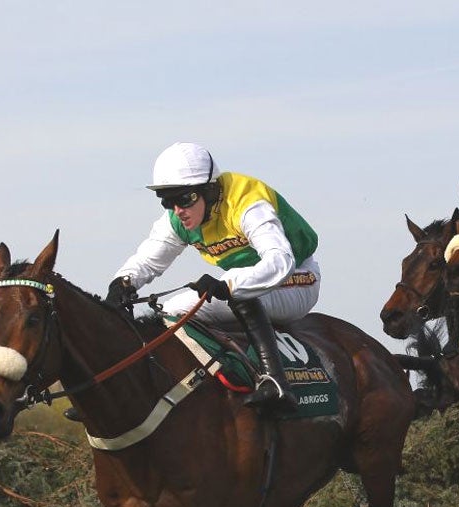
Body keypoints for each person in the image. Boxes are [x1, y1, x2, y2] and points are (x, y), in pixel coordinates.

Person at [105, 142, 322, 413]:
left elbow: (280, 261)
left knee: (234, 289)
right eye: (167, 201)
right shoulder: (177, 219)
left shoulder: (246, 202)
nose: (177, 210)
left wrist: (228, 284)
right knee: (168, 311)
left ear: (210, 190)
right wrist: (123, 283)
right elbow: (148, 259)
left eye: (184, 199)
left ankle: (276, 383)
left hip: (297, 279)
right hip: (254, 283)